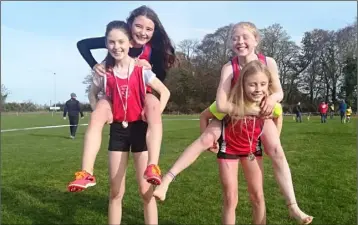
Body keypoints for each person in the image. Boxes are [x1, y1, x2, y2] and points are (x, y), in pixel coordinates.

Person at [154, 22, 312, 225]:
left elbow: (278, 92)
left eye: (245, 37)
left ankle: (293, 206)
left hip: (258, 121)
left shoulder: (268, 62)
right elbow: (221, 104)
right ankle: (167, 179)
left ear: (256, 40)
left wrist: (272, 100)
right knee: (207, 138)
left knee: (277, 153)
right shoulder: (230, 67)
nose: (240, 41)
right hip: (231, 115)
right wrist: (254, 110)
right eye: (235, 38)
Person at [70, 20, 170, 224]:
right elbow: (92, 93)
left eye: (121, 42)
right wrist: (99, 108)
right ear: (106, 44)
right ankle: (86, 173)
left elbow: (165, 92)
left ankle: (153, 166)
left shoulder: (142, 70)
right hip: (118, 132)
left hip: (140, 130)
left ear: (130, 43)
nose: (116, 47)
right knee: (115, 192)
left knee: (146, 192)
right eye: (111, 42)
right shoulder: (104, 73)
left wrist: (153, 114)